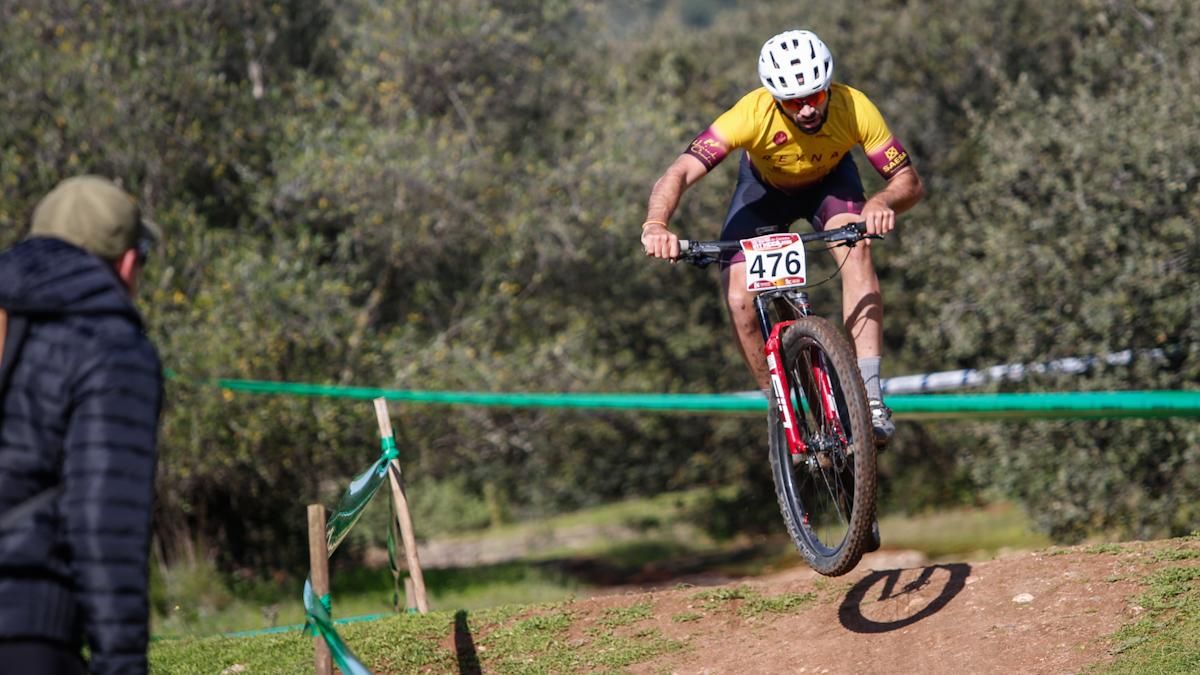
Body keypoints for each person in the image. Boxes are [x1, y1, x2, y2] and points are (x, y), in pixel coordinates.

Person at [641, 28, 924, 445]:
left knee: (856, 246)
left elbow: (908, 181)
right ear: (775, 98)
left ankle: (871, 394)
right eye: (793, 101)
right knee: (739, 298)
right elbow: (680, 171)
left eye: (816, 96)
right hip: (763, 195)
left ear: (829, 87)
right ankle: (780, 407)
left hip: (830, 186)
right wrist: (655, 224)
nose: (807, 109)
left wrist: (883, 202)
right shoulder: (750, 114)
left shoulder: (854, 106)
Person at [0, 176, 164, 674]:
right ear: (129, 264)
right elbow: (104, 523)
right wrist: (121, 663)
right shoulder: (110, 346)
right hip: (26, 628)